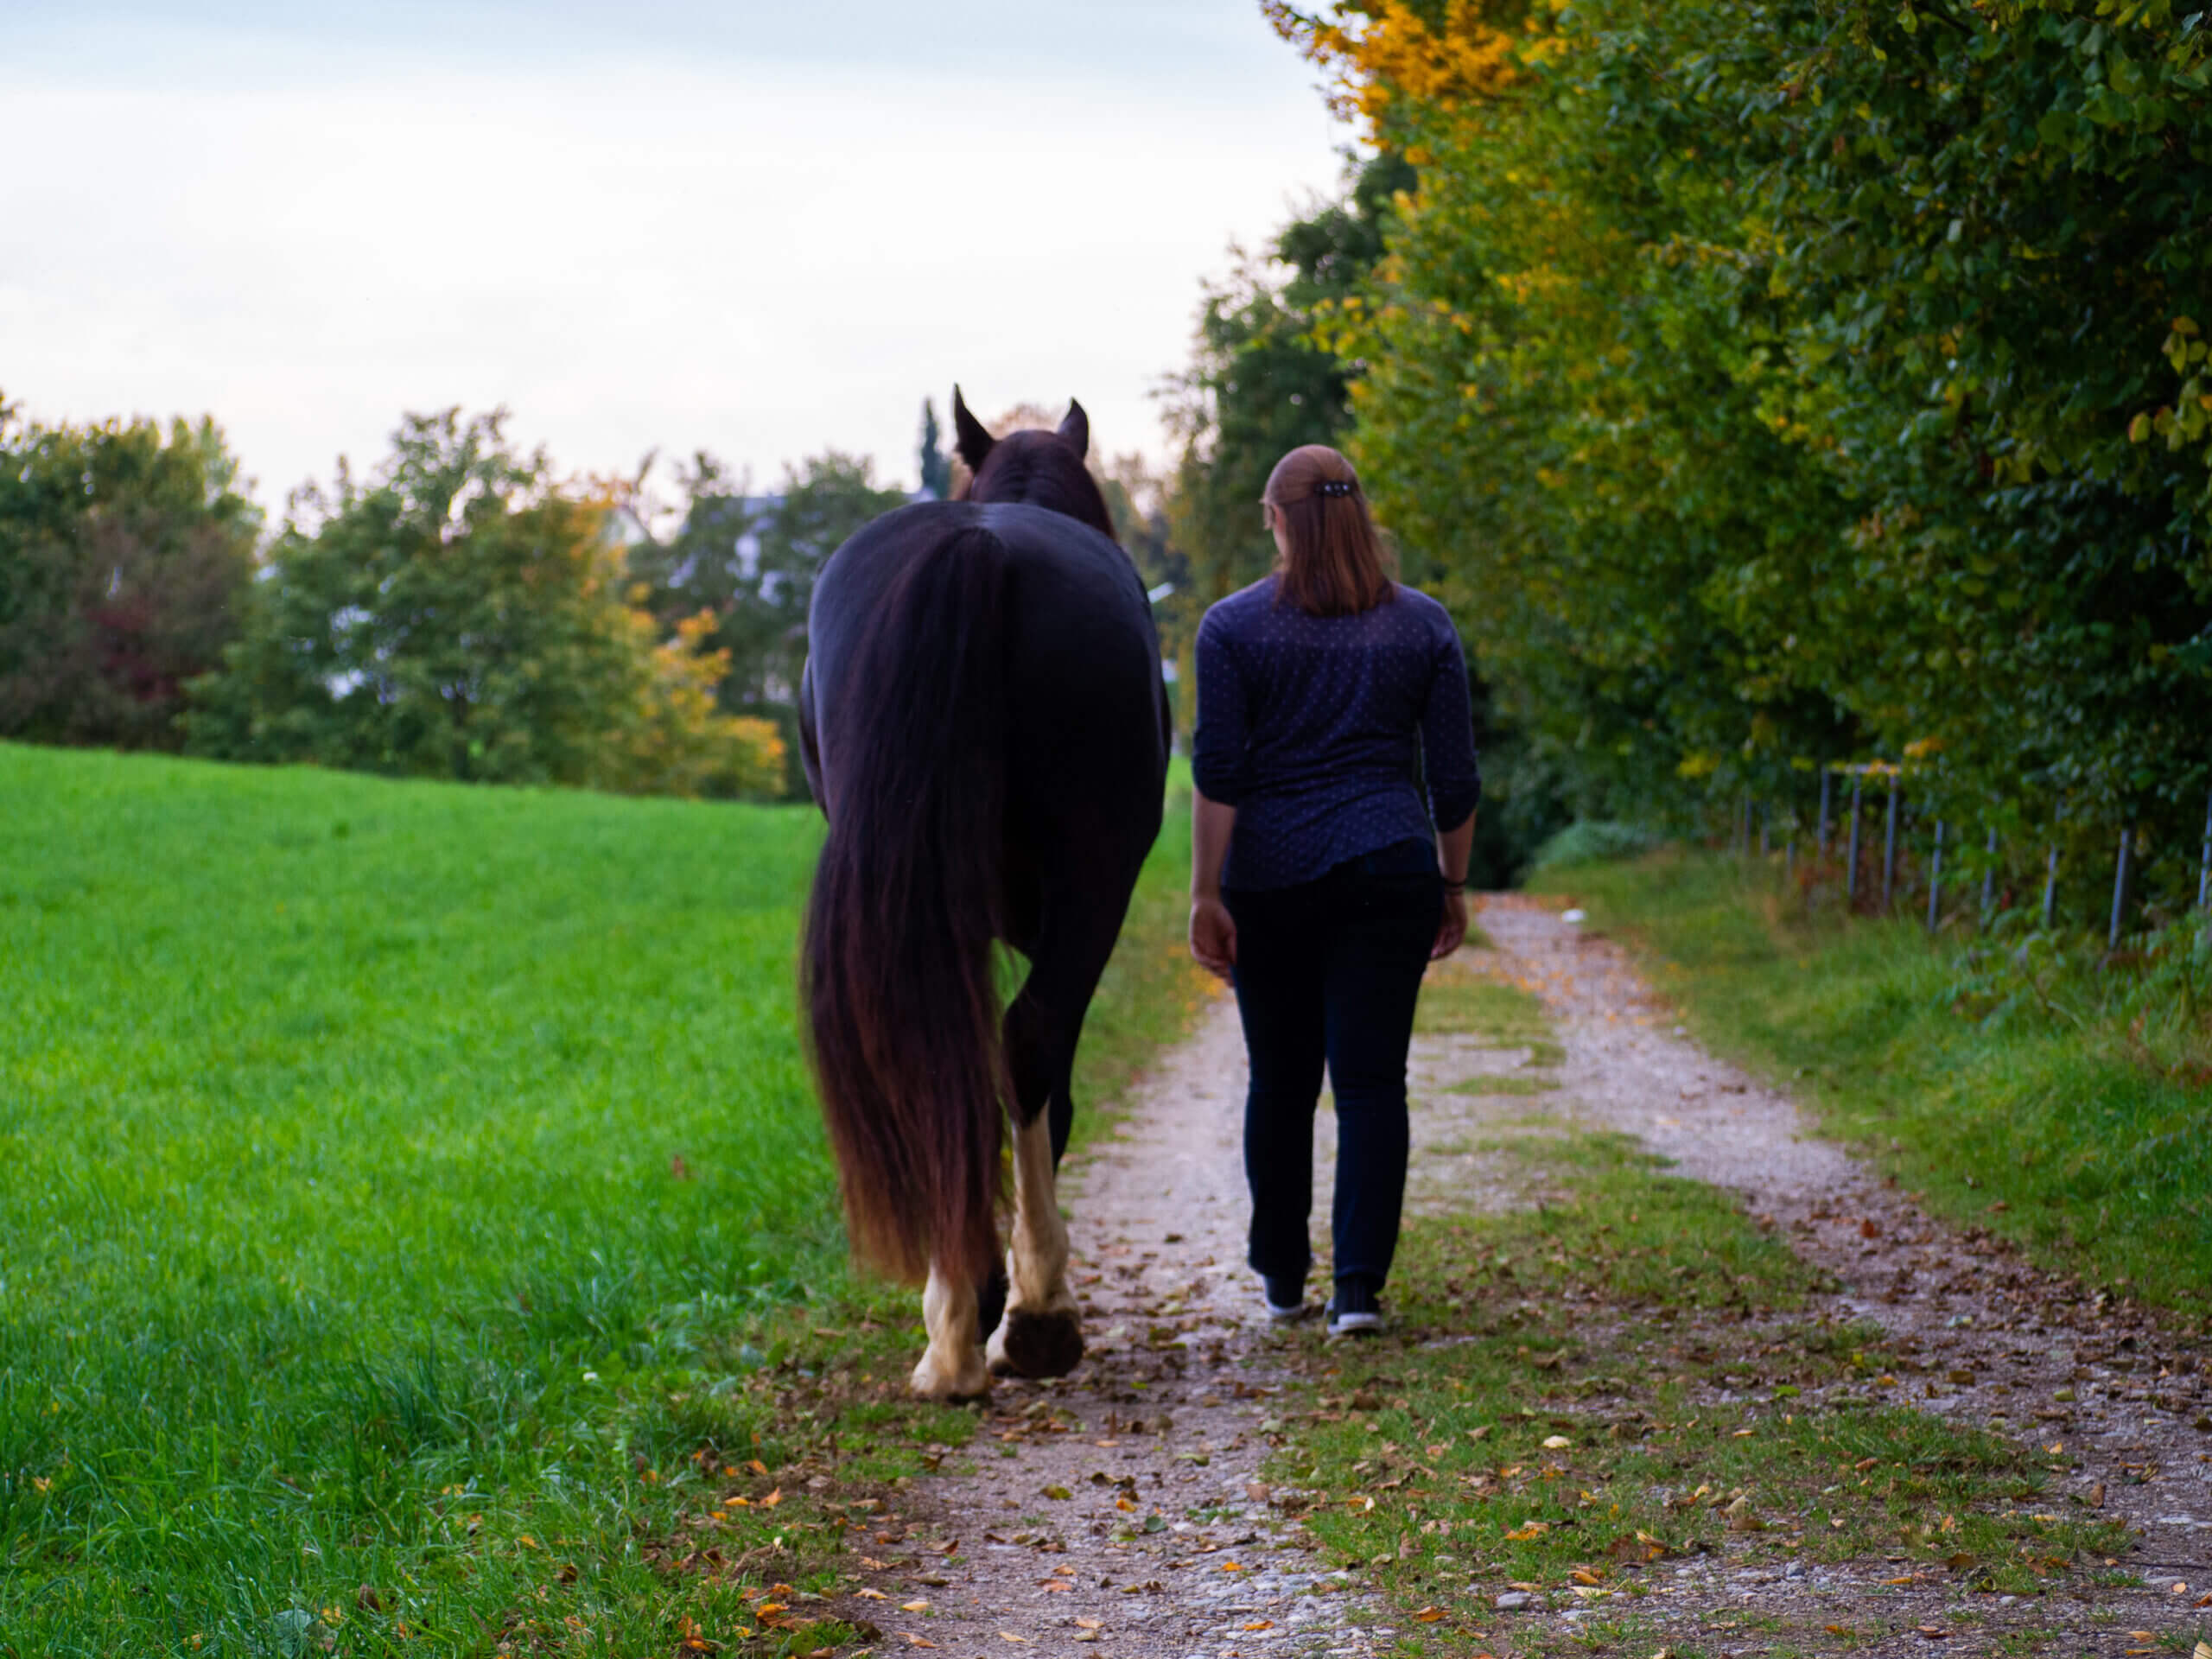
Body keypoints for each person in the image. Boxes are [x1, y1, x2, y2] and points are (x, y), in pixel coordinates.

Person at [1187, 444, 1479, 1338]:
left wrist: (1205, 894)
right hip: (1389, 866)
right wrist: (1452, 882)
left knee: (1279, 1082)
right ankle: (1356, 1289)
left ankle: (1282, 1275)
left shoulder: (1231, 629)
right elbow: (1454, 777)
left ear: (1278, 520)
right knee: (1371, 1081)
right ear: (1358, 517)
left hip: (1269, 877)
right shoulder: (1421, 626)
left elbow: (1219, 774)